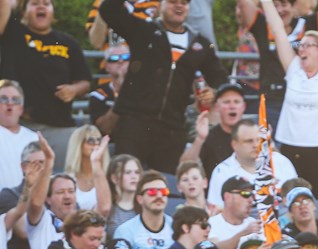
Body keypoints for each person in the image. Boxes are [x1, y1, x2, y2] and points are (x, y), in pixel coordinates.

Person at [100, 0, 228, 173]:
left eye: (184, 2)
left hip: (172, 129)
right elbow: (108, 10)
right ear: (159, 5)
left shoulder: (200, 44)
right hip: (134, 124)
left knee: (167, 187)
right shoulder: (142, 30)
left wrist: (214, 92)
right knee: (125, 181)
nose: (179, 6)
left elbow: (221, 77)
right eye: (173, 1)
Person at [264, 0, 318, 199]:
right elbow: (277, 30)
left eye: (308, 45)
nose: (302, 49)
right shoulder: (294, 70)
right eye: (301, 45)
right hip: (290, 149)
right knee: (289, 202)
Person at [0, 0, 92, 167]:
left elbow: (86, 81)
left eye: (46, 3)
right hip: (21, 126)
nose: (41, 6)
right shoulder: (13, 33)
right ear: (23, 12)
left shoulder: (67, 42)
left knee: (63, 182)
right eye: (34, 3)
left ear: (53, 13)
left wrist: (73, 89)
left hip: (61, 127)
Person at [235, 0, 308, 131]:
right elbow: (244, 4)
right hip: (272, 100)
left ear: (293, 6)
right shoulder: (262, 25)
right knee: (268, 145)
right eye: (275, 5)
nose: (279, 10)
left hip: (301, 99)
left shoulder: (306, 24)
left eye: (284, 4)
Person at [207, 119, 298, 207]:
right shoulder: (222, 172)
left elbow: (297, 197)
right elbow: (216, 211)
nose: (255, 145)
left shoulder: (281, 161)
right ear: (234, 144)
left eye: (258, 140)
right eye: (249, 141)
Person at [114, 170, 174, 249]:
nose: (159, 195)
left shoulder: (175, 227)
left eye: (164, 191)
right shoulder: (125, 231)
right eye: (152, 192)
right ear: (139, 199)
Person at [181, 83, 248, 177]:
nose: (232, 106)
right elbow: (184, 168)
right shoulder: (209, 136)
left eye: (236, 102)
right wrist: (200, 139)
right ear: (217, 107)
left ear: (243, 107)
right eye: (227, 102)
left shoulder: (253, 134)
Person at [208, 176, 261, 249]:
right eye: (245, 194)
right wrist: (244, 233)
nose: (251, 200)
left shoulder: (255, 224)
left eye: (252, 195)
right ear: (227, 197)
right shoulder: (212, 224)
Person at [0, 79, 37, 190]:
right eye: (3, 98)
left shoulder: (33, 138)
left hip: (27, 201)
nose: (9, 103)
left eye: (15, 100)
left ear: (21, 109)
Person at [88, 43, 131, 136]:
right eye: (113, 59)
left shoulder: (146, 89)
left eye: (126, 57)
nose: (120, 61)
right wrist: (120, 96)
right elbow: (105, 129)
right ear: (107, 67)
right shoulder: (98, 95)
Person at [104, 154, 142, 238]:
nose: (134, 176)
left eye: (137, 172)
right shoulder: (107, 208)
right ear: (114, 178)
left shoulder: (145, 207)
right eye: (127, 172)